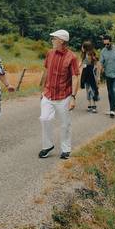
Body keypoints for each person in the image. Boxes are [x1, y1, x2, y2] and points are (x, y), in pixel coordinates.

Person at [39, 29, 79, 160]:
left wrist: (73, 97)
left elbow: (75, 77)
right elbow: (46, 71)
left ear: (61, 41)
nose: (52, 40)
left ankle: (66, 149)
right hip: (48, 93)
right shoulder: (49, 53)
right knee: (44, 118)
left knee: (65, 124)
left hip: (64, 96)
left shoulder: (72, 57)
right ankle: (47, 145)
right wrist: (42, 89)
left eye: (54, 38)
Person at [98, 34, 115, 118]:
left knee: (114, 90)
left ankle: (113, 110)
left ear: (111, 42)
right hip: (108, 75)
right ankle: (111, 108)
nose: (106, 46)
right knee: (110, 93)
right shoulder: (103, 51)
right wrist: (99, 75)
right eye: (104, 44)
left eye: (108, 44)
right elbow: (101, 63)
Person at [80, 40, 100, 113]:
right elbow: (81, 65)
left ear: (86, 48)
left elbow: (97, 66)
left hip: (92, 75)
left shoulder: (92, 56)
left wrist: (98, 77)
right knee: (87, 90)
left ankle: (94, 106)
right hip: (86, 75)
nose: (81, 48)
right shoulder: (84, 55)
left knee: (93, 90)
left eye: (83, 46)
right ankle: (89, 105)